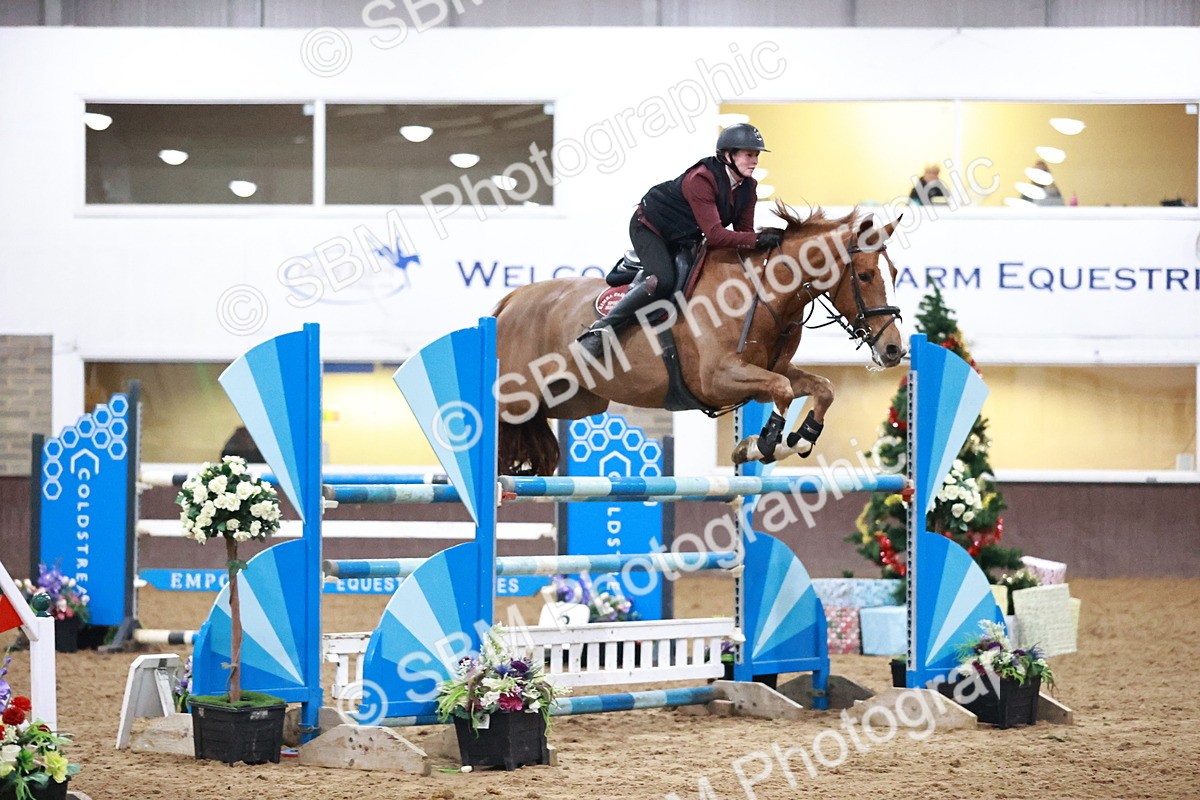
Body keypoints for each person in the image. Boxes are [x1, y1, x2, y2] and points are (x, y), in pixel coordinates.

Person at [575, 123, 784, 358]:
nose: (754, 161)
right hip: (651, 227)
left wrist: (763, 243)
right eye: (748, 155)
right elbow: (716, 235)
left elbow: (743, 233)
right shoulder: (701, 179)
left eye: (756, 155)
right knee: (662, 281)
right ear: (728, 155)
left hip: (686, 235)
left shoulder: (749, 187)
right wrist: (759, 239)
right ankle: (600, 330)